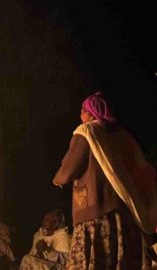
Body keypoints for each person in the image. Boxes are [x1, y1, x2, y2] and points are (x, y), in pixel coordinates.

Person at [52, 91, 157, 269]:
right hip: (126, 221)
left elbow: (67, 171)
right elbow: (142, 169)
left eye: (82, 111)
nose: (80, 116)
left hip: (96, 221)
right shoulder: (124, 137)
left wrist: (57, 179)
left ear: (90, 114)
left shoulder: (87, 132)